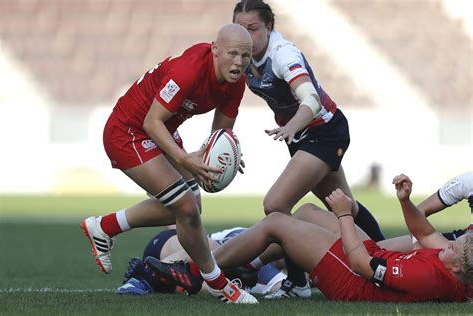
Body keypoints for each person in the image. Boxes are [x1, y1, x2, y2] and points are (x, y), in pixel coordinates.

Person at [80, 23, 258, 304]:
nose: (239, 62)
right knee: (185, 207)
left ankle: (105, 226)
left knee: (191, 209)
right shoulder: (188, 71)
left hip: (160, 130)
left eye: (245, 56)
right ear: (215, 50)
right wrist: (185, 158)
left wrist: (226, 154)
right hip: (128, 132)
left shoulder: (236, 84)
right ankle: (218, 283)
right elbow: (152, 121)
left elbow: (219, 134)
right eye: (233, 54)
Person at [230, 0, 385, 297]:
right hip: (302, 135)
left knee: (275, 205)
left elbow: (311, 100)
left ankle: (298, 282)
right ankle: (388, 259)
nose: (247, 36)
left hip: (323, 130)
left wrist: (291, 127)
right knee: (342, 203)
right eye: (240, 29)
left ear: (269, 28)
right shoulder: (242, 54)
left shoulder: (282, 54)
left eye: (253, 29)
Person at [146, 174, 473, 302]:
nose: (450, 243)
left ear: (458, 267)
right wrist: (404, 200)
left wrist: (345, 215)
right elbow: (426, 232)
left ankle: (193, 274)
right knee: (305, 213)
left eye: (454, 247)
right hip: (370, 258)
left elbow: (360, 264)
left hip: (351, 278)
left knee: (277, 222)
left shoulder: (429, 275)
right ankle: (252, 265)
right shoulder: (454, 260)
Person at [115, 227, 286, 296]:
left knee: (223, 285)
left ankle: (168, 283)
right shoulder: (261, 253)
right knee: (212, 251)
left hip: (175, 252)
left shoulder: (267, 254)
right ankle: (144, 277)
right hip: (173, 245)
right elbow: (278, 283)